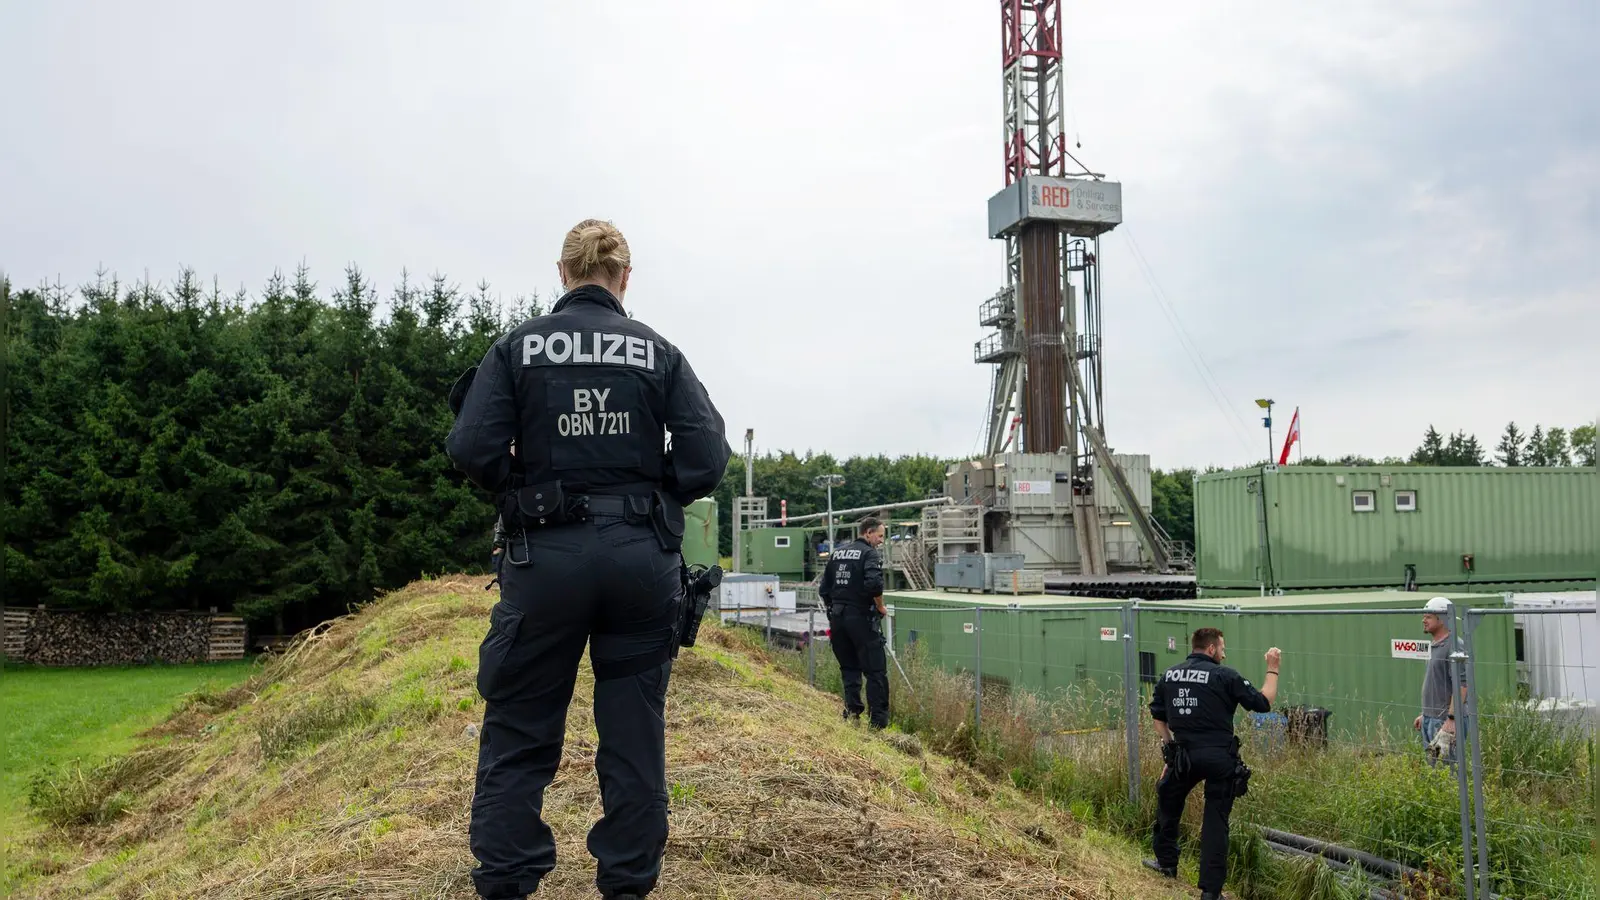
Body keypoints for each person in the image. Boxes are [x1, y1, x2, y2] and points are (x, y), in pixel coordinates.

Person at [446, 218, 732, 900]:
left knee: (518, 733)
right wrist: (645, 486)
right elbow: (707, 458)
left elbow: (471, 448)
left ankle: (508, 886)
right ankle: (627, 887)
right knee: (634, 738)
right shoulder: (658, 352)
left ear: (563, 273)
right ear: (623, 278)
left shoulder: (518, 347)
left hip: (545, 561)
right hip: (641, 564)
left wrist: (522, 481)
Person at [1145, 628, 1281, 900]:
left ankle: (1166, 863)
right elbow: (1264, 702)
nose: (1224, 652)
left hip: (1184, 756)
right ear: (1210, 649)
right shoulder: (1225, 675)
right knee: (1215, 822)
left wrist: (1171, 751)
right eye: (1222, 648)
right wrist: (1272, 668)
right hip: (1220, 758)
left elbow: (1158, 717)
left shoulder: (1169, 675)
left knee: (1168, 800)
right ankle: (1211, 892)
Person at [819, 517, 889, 729]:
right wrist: (880, 607)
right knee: (875, 671)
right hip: (861, 619)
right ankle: (877, 723)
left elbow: (824, 589)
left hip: (838, 620)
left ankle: (852, 712)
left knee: (849, 668)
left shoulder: (838, 553)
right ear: (868, 533)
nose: (880, 541)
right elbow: (875, 585)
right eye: (879, 535)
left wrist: (834, 610)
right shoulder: (869, 554)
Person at [1413, 596, 1463, 768]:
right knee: (1433, 771)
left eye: (1428, 617)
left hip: (1444, 721)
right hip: (1430, 719)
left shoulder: (1454, 646)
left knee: (1446, 771)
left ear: (1441, 619)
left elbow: (1462, 686)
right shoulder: (1434, 645)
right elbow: (1436, 682)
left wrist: (1451, 719)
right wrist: (1424, 714)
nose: (1423, 620)